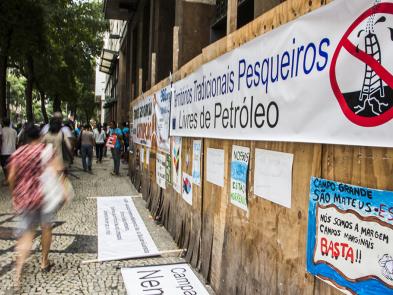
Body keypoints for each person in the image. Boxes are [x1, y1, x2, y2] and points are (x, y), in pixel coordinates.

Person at [8, 123, 63, 289]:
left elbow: (11, 177)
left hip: (26, 198)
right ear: (40, 136)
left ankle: (18, 274)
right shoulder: (45, 151)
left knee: (27, 234)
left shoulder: (18, 153)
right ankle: (44, 261)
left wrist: (15, 194)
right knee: (46, 228)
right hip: (45, 197)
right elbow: (57, 170)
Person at [0, 118, 17, 185]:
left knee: (5, 167)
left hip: (4, 152)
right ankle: (11, 179)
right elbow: (16, 140)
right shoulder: (14, 131)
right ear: (9, 123)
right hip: (13, 151)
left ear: (3, 123)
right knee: (11, 166)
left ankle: (7, 180)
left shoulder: (2, 131)